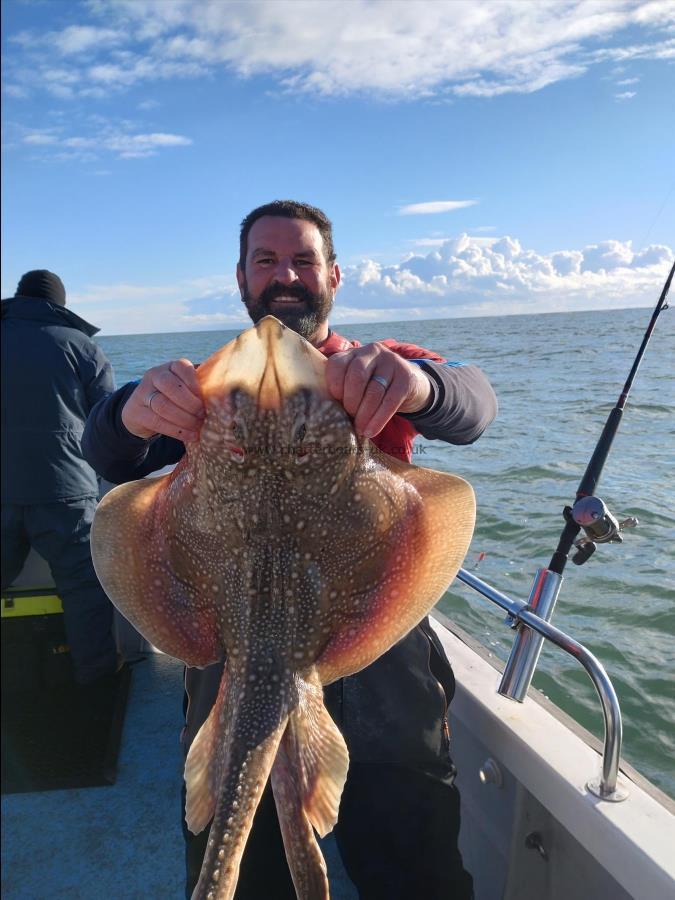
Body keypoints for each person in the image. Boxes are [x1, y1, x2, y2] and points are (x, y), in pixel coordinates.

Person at [82, 201, 497, 899]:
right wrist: (131, 410)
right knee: (243, 864)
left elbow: (472, 401)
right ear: (241, 279)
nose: (286, 276)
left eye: (303, 259)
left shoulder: (380, 366)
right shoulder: (207, 386)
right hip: (230, 633)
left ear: (332, 274)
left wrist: (418, 386)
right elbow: (107, 447)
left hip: (373, 629)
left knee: (412, 845)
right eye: (266, 261)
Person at [1, 270, 118, 688]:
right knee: (84, 590)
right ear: (60, 305)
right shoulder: (81, 346)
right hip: (65, 491)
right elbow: (107, 423)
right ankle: (98, 682)